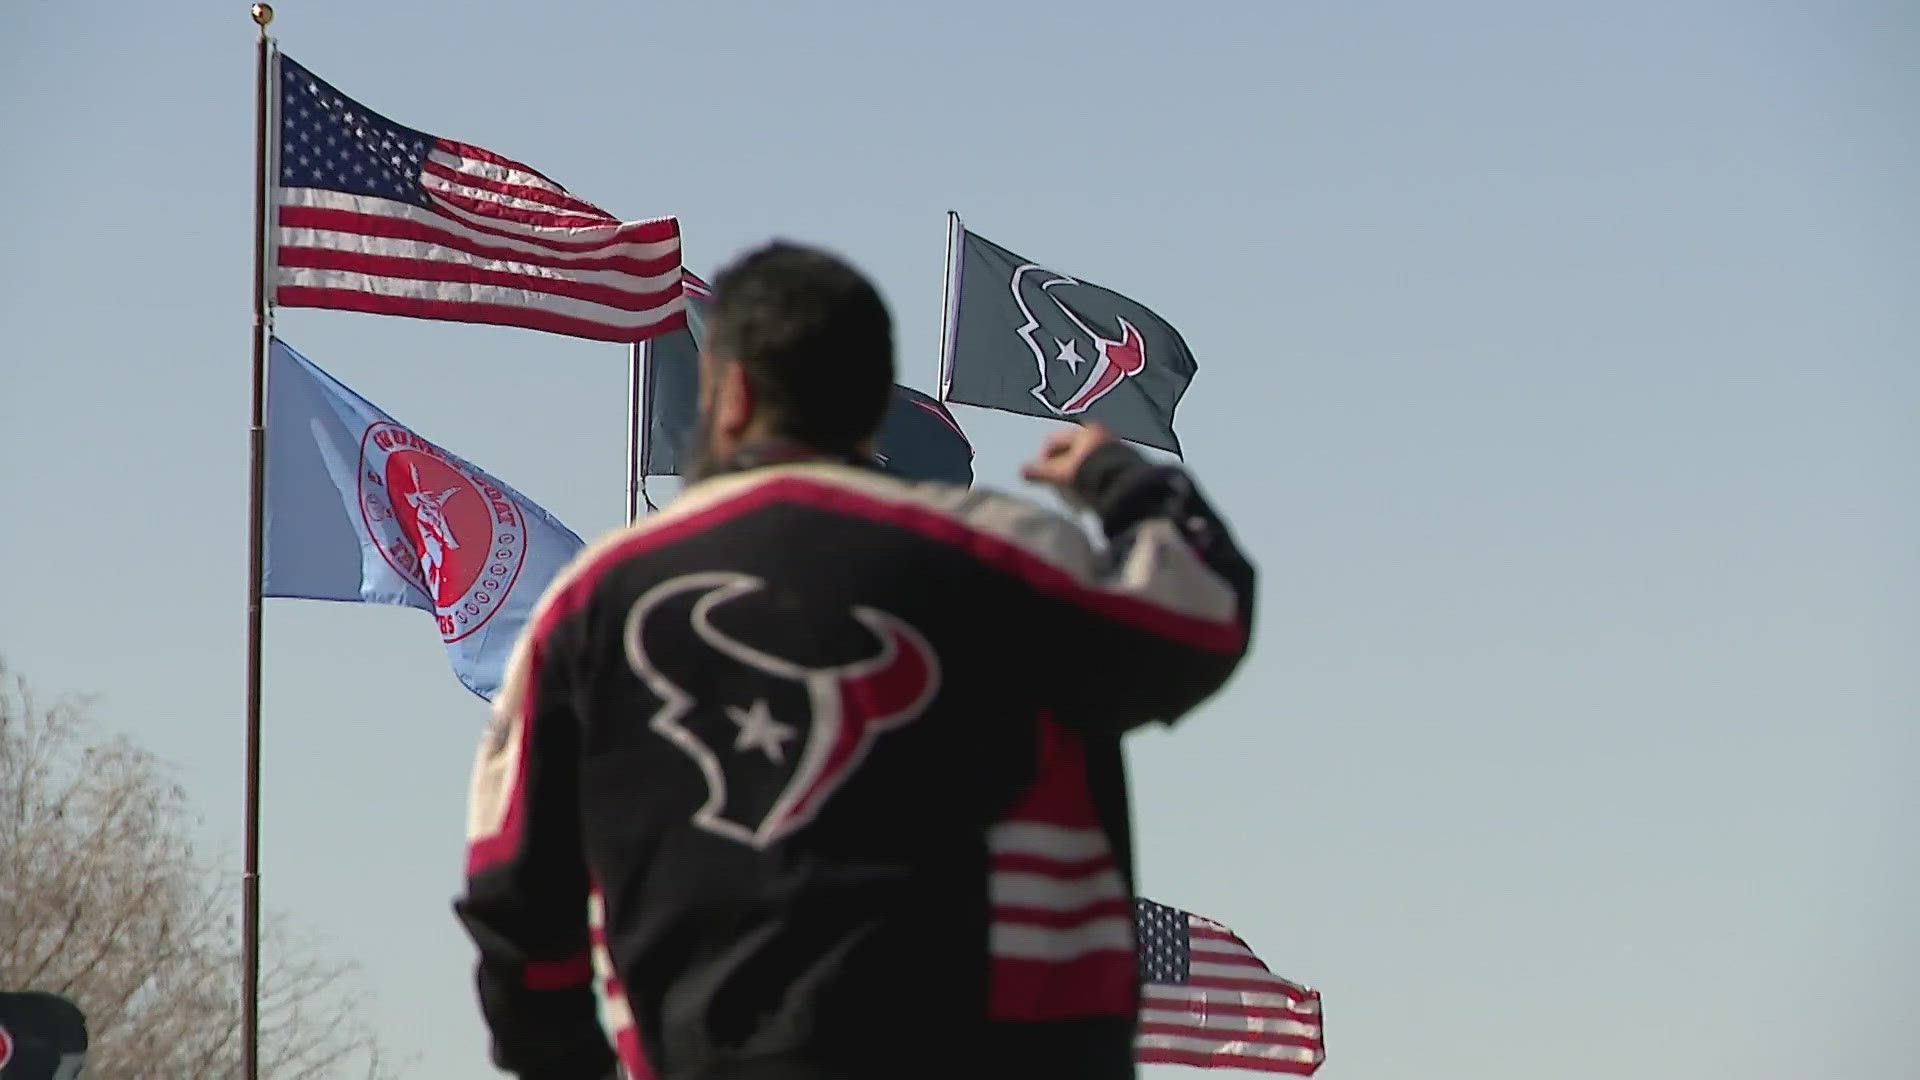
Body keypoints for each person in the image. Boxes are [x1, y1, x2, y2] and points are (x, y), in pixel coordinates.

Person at [454, 241, 1256, 1080]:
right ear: (877, 408)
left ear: (728, 394)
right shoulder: (1009, 557)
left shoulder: (593, 606)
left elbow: (513, 896)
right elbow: (1204, 611)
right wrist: (1116, 480)